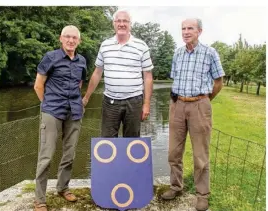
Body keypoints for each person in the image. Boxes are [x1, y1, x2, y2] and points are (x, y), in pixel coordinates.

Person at [161, 18, 225, 211]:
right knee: (174, 152)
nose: (186, 31)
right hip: (177, 104)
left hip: (200, 104)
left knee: (200, 155)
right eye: (183, 28)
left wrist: (204, 102)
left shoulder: (210, 52)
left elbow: (218, 82)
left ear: (199, 31)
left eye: (190, 28)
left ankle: (202, 194)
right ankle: (176, 186)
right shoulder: (177, 53)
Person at [33, 25, 86, 211]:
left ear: (79, 41)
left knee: (69, 154)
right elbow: (38, 85)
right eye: (67, 37)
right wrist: (47, 105)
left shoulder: (82, 61)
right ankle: (39, 199)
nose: (71, 40)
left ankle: (63, 187)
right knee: (46, 156)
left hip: (74, 112)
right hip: (52, 112)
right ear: (60, 39)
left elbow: (79, 83)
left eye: (74, 38)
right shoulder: (51, 57)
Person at [82, 9, 154, 138]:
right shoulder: (105, 45)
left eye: (125, 21)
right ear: (113, 24)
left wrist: (147, 104)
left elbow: (148, 76)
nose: (122, 24)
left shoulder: (141, 46)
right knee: (108, 142)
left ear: (130, 24)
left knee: (132, 142)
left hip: (134, 101)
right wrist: (87, 97)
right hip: (110, 101)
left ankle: (128, 160)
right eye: (118, 21)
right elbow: (97, 73)